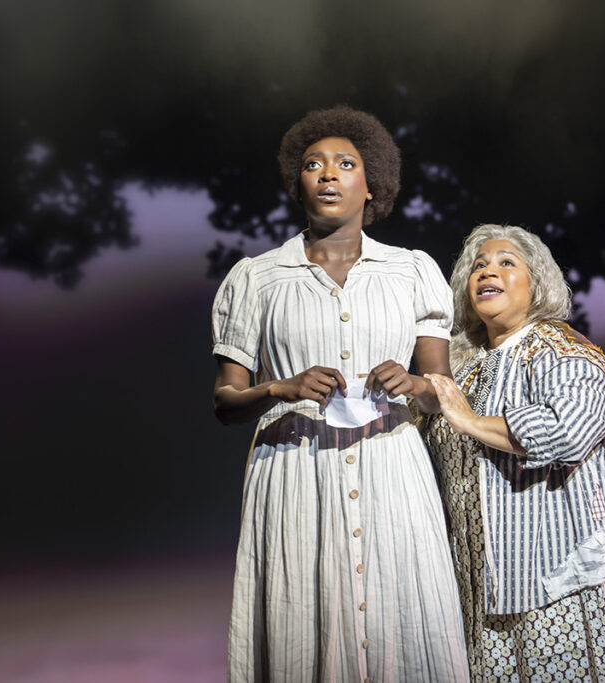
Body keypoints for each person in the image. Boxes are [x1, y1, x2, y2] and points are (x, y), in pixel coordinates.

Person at [211, 106, 469, 682]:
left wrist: (418, 384)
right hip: (297, 472)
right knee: (305, 618)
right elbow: (225, 402)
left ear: (370, 183)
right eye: (313, 164)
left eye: (345, 164)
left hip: (390, 469)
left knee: (400, 619)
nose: (328, 174)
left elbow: (439, 390)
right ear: (296, 183)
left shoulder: (411, 272)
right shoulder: (257, 278)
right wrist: (282, 387)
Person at [423, 224, 605, 682]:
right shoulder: (468, 371)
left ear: (537, 283)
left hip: (561, 585)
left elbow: (567, 432)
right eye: (478, 266)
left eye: (505, 262)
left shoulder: (564, 350)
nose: (487, 271)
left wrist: (470, 421)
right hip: (485, 595)